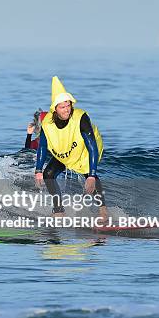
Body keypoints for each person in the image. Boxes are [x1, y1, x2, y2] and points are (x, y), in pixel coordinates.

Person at [34, 77, 108, 219]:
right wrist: (38, 170)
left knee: (88, 175)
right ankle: (59, 210)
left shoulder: (81, 117)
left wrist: (92, 175)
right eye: (62, 107)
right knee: (48, 174)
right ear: (55, 109)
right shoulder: (47, 123)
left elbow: (91, 145)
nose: (67, 110)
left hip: (83, 150)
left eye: (68, 105)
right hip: (65, 150)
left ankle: (103, 210)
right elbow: (42, 145)